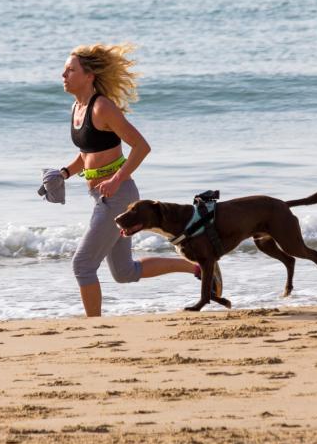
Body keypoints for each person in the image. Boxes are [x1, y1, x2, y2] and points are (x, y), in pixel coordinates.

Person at [57, 43, 220, 317]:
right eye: (64, 70)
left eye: (70, 70)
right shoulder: (78, 107)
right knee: (123, 272)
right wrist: (62, 174)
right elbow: (87, 154)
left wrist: (118, 179)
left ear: (89, 76)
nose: (63, 75)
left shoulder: (102, 107)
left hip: (117, 197)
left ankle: (94, 327)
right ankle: (199, 267)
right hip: (102, 196)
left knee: (82, 265)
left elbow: (141, 146)